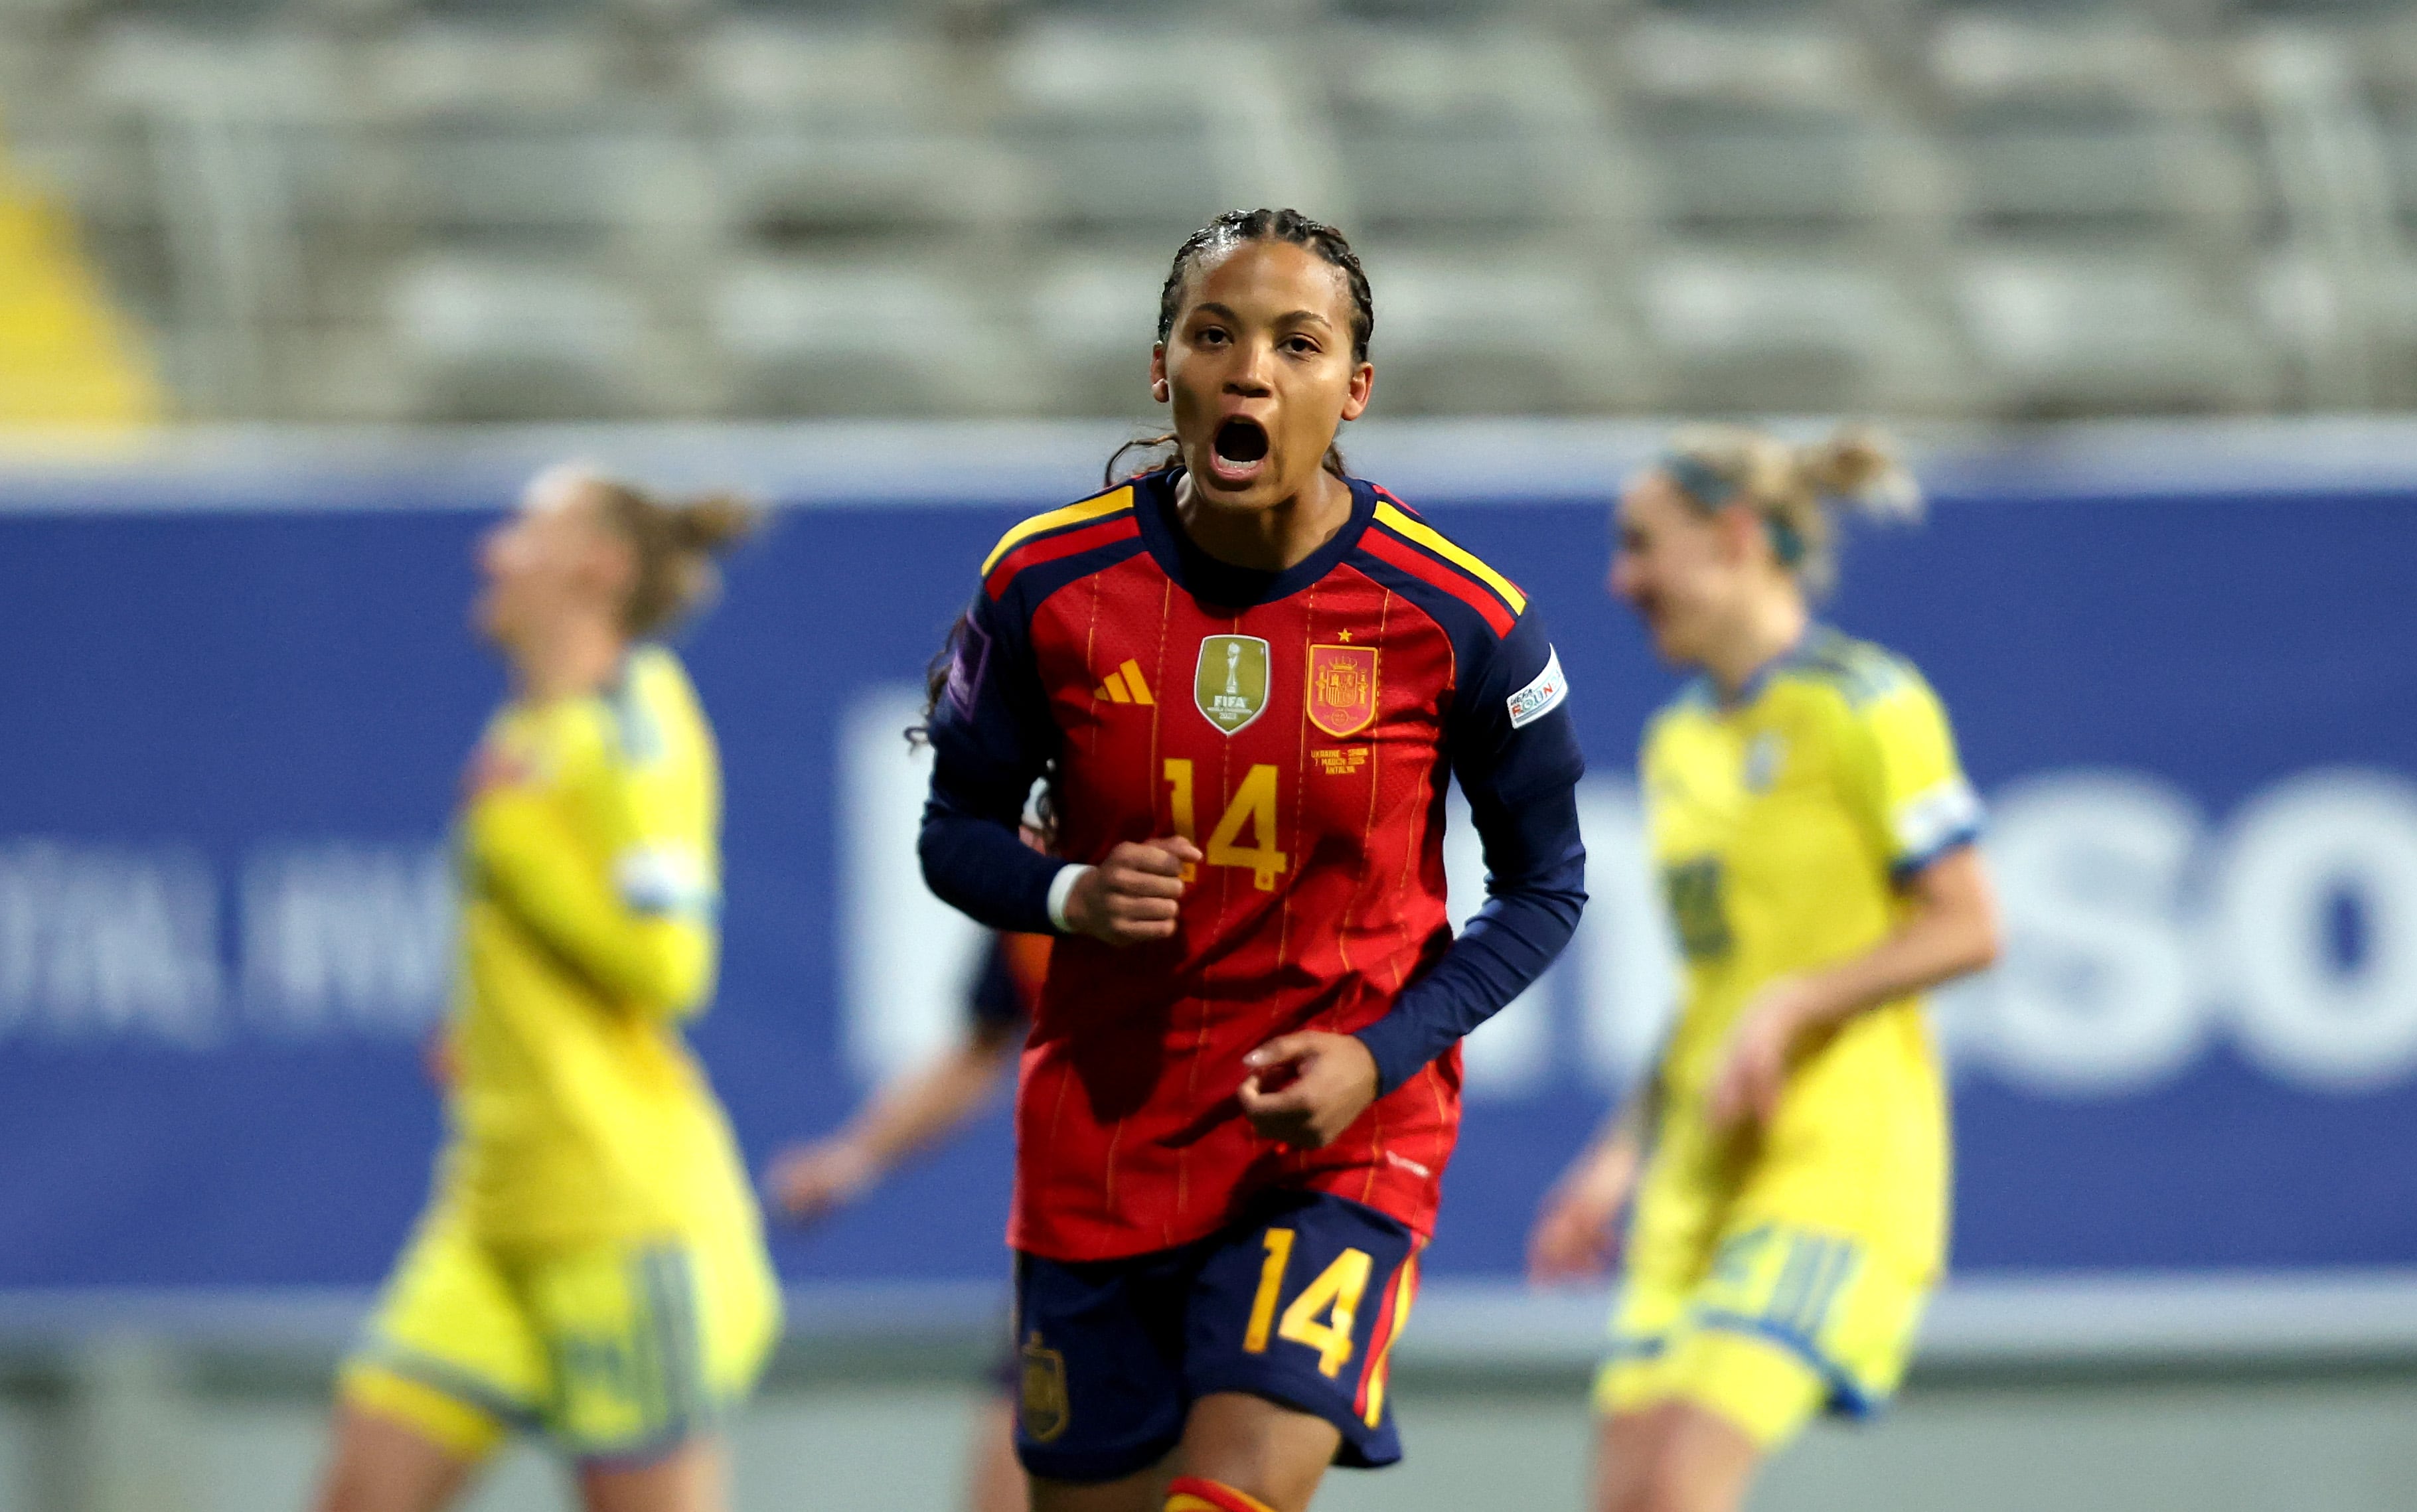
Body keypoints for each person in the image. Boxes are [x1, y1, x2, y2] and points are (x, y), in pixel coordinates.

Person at [917, 206, 1589, 1512]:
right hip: (1103, 1144)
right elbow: (954, 831)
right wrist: (1069, 893)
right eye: (1214, 335)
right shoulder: (1043, 583)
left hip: (1336, 1140)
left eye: (1297, 343)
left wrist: (1378, 1055)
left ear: (1354, 389)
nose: (1251, 373)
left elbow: (1544, 886)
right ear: (1160, 368)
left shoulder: (1461, 617)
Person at [1526, 425, 2002, 1512]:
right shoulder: (1678, 743)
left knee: (1682, 1485)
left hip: (1831, 1164)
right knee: (1627, 1496)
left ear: (1734, 537)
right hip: (1697, 1179)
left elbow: (1969, 924)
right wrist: (1615, 1156)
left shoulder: (1864, 703)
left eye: (1641, 544)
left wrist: (1797, 1003)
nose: (1620, 580)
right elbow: (1715, 991)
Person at [310, 464, 777, 1512]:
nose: (493, 551)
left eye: (524, 529)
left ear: (596, 567)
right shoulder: (525, 730)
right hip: (490, 1215)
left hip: (618, 1223)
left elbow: (671, 963)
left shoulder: (636, 724)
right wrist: (478, 1029)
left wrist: (524, 855)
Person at [765, 927, 1050, 1512]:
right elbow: (982, 1048)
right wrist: (852, 1158)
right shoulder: (1033, 904)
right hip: (1071, 1255)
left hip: (1214, 1250)